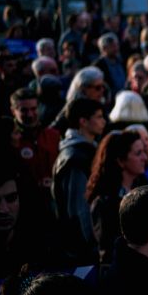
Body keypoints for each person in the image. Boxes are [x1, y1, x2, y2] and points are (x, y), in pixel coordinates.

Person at [52, 98, 107, 266]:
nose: (103, 121)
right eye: (98, 117)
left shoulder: (87, 150)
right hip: (82, 251)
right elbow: (79, 209)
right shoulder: (75, 158)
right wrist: (94, 245)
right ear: (83, 121)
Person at [87, 131, 148, 265]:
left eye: (144, 151)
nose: (145, 157)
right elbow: (108, 252)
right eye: (138, 153)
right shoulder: (104, 203)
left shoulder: (145, 189)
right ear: (121, 161)